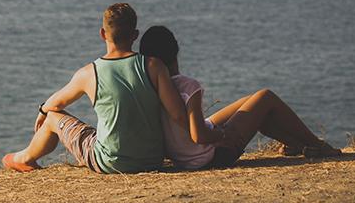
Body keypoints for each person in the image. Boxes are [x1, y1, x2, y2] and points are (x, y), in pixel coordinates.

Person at [2, 3, 187, 173]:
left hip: (110, 162)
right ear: (135, 35)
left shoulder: (89, 73)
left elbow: (56, 104)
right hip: (151, 160)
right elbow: (177, 114)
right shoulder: (154, 66)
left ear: (102, 33)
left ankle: (23, 158)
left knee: (52, 118)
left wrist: (43, 110)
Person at [138, 25, 341, 170]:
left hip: (185, 157)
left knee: (250, 102)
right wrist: (222, 134)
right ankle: (317, 144)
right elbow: (199, 136)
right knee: (265, 97)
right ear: (176, 51)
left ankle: (297, 145)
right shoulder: (188, 86)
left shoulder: (148, 88)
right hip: (213, 155)